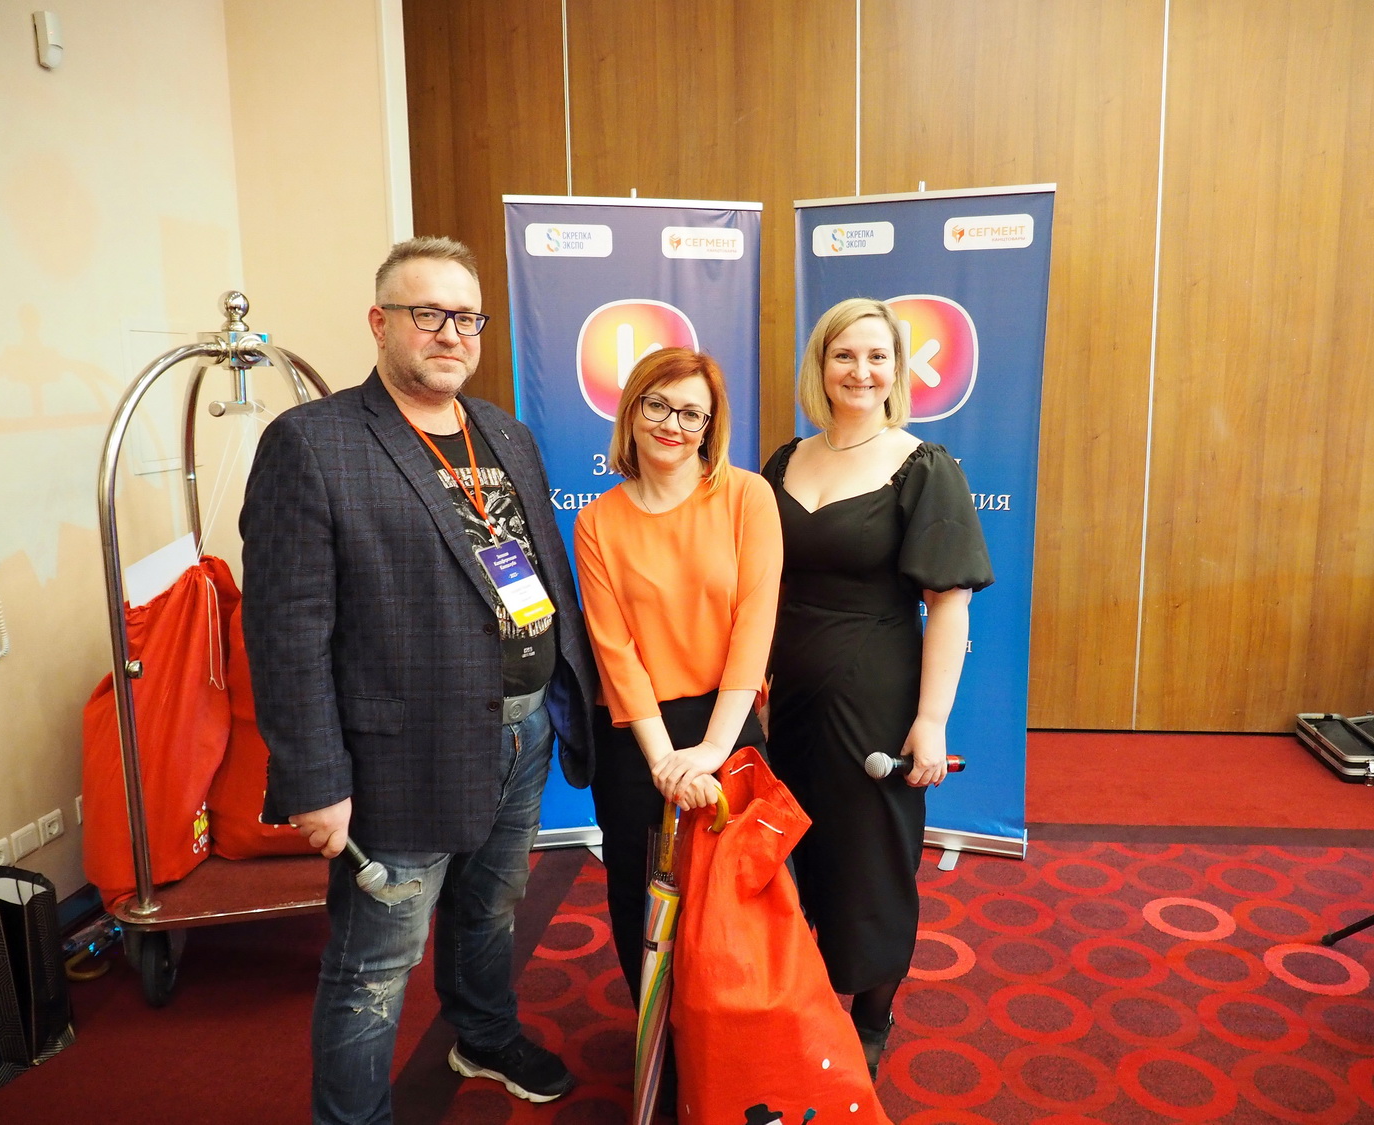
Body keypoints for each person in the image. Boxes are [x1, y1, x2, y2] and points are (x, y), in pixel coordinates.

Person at [240, 236, 597, 1122]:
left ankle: (483, 1032)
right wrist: (315, 781)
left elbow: (535, 570)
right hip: (401, 752)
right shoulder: (312, 443)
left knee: (492, 905)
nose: (450, 334)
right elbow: (286, 631)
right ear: (380, 322)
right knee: (376, 960)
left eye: (466, 317)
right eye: (427, 313)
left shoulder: (503, 432)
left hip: (521, 728)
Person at [762, 297, 993, 1080]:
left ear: (897, 370)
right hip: (788, 697)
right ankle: (799, 992)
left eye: (877, 356)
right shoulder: (785, 460)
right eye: (844, 355)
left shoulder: (922, 466)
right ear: (820, 366)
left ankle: (871, 1014)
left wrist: (932, 718)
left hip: (876, 700)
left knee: (870, 862)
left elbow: (949, 603)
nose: (860, 371)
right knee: (795, 857)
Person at [573, 346, 782, 1014]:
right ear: (632, 411)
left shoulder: (748, 496)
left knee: (738, 903)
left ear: (710, 426)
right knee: (643, 905)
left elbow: (754, 629)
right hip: (641, 740)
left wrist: (713, 750)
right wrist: (665, 761)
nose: (673, 424)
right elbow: (615, 651)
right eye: (658, 405)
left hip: (727, 725)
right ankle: (658, 1048)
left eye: (693, 413)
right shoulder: (596, 521)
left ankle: (734, 1045)